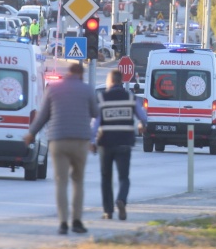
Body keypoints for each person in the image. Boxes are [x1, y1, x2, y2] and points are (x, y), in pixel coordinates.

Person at [23, 62, 98, 235]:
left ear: (68, 74)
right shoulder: (87, 90)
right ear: (81, 75)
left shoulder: (54, 89)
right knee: (78, 181)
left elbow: (42, 117)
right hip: (80, 140)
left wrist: (31, 134)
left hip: (58, 140)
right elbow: (95, 113)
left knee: (61, 182)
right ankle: (77, 221)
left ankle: (63, 223)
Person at [91, 70, 147, 220]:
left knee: (106, 177)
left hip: (106, 143)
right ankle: (121, 200)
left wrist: (92, 141)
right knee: (124, 177)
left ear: (110, 81)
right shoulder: (130, 97)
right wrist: (142, 124)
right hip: (124, 142)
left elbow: (96, 123)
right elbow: (142, 116)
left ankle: (108, 211)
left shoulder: (102, 98)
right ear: (121, 81)